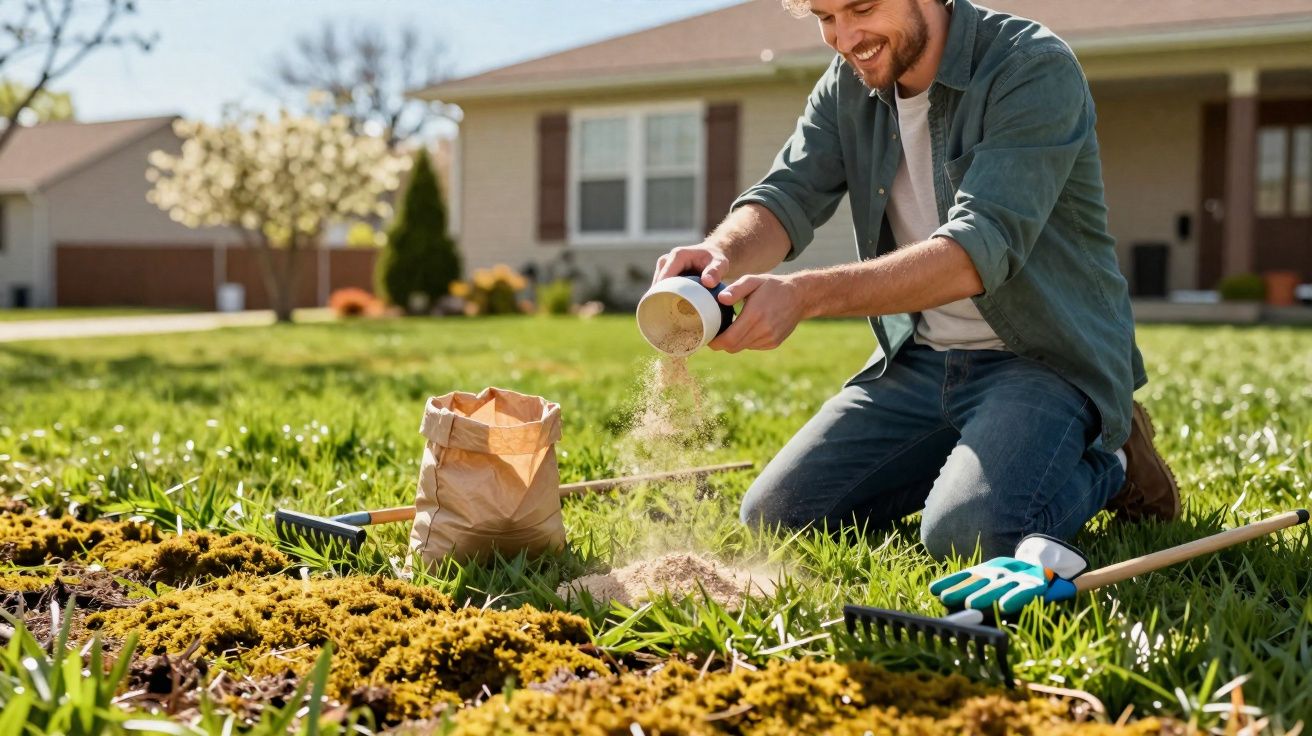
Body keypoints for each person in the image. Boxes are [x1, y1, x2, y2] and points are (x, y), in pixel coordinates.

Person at [650, 0, 1179, 560]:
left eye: (862, 8)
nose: (845, 37)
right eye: (827, 17)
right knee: (776, 517)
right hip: (923, 359)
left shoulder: (1029, 66)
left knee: (966, 537)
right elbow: (787, 196)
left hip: (1045, 360)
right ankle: (984, 451)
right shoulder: (848, 86)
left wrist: (805, 295)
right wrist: (718, 253)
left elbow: (975, 251)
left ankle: (1109, 460)